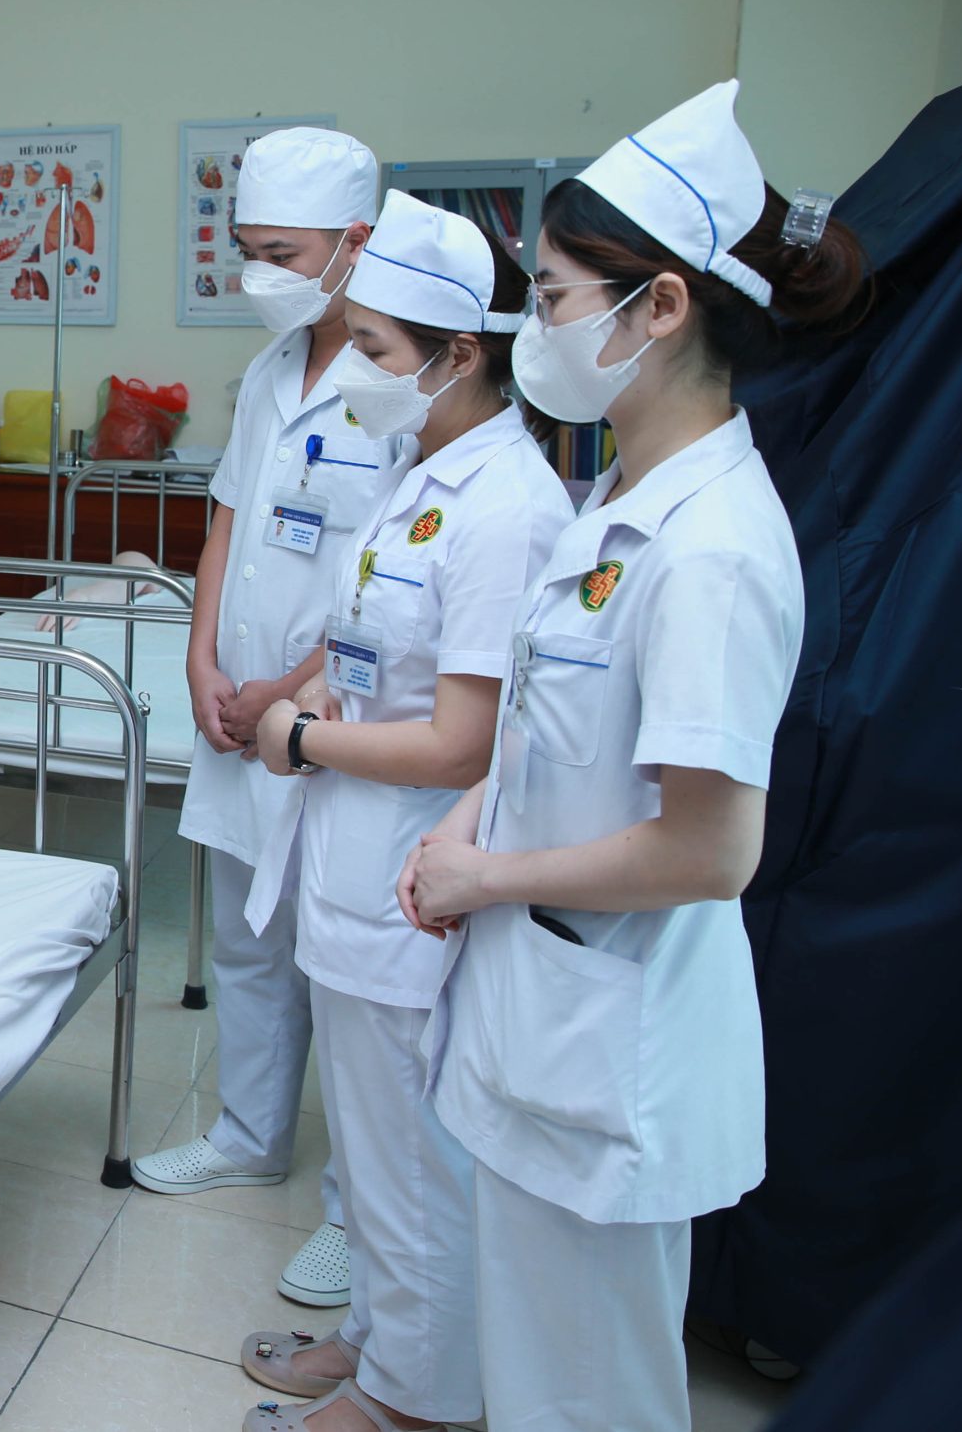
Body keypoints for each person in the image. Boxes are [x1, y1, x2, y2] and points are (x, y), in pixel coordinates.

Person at [397, 81, 870, 1431]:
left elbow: (711, 849)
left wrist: (484, 876)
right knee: (537, 1377)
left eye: (551, 299)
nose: (534, 331)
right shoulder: (618, 493)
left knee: (588, 1399)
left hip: (612, 1049)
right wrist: (466, 826)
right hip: (546, 1018)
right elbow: (549, 721)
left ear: (659, 307)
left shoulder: (714, 547)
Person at [236, 193, 573, 1432]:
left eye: (374, 350)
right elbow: (380, 649)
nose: (355, 372)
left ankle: (412, 1404)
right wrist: (322, 694)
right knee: (371, 1151)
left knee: (414, 1162)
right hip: (348, 861)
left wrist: (301, 735)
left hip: (406, 882)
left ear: (459, 355)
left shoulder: (508, 507)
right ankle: (378, 1342)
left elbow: (463, 742)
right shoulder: (421, 471)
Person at [136, 126, 401, 1308]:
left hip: (333, 713)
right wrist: (200, 661)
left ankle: (358, 1212)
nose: (259, 274)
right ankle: (247, 1135)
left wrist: (289, 686)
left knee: (341, 966)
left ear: (355, 241)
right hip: (239, 710)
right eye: (246, 248)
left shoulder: (400, 382)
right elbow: (228, 525)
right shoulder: (268, 370)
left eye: (281, 252)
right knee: (244, 936)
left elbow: (396, 573)